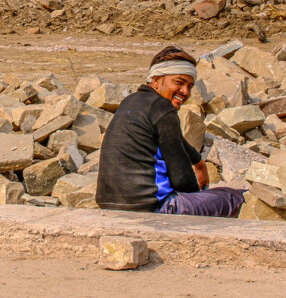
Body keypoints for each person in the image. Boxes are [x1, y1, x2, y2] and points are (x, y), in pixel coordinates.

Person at [96, 46, 245, 218]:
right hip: (151, 207)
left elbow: (175, 140)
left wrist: (199, 162)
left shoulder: (132, 102)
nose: (185, 92)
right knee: (236, 198)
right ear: (157, 80)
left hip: (110, 204)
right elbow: (181, 175)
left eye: (190, 86)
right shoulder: (163, 109)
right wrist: (199, 197)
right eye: (179, 83)